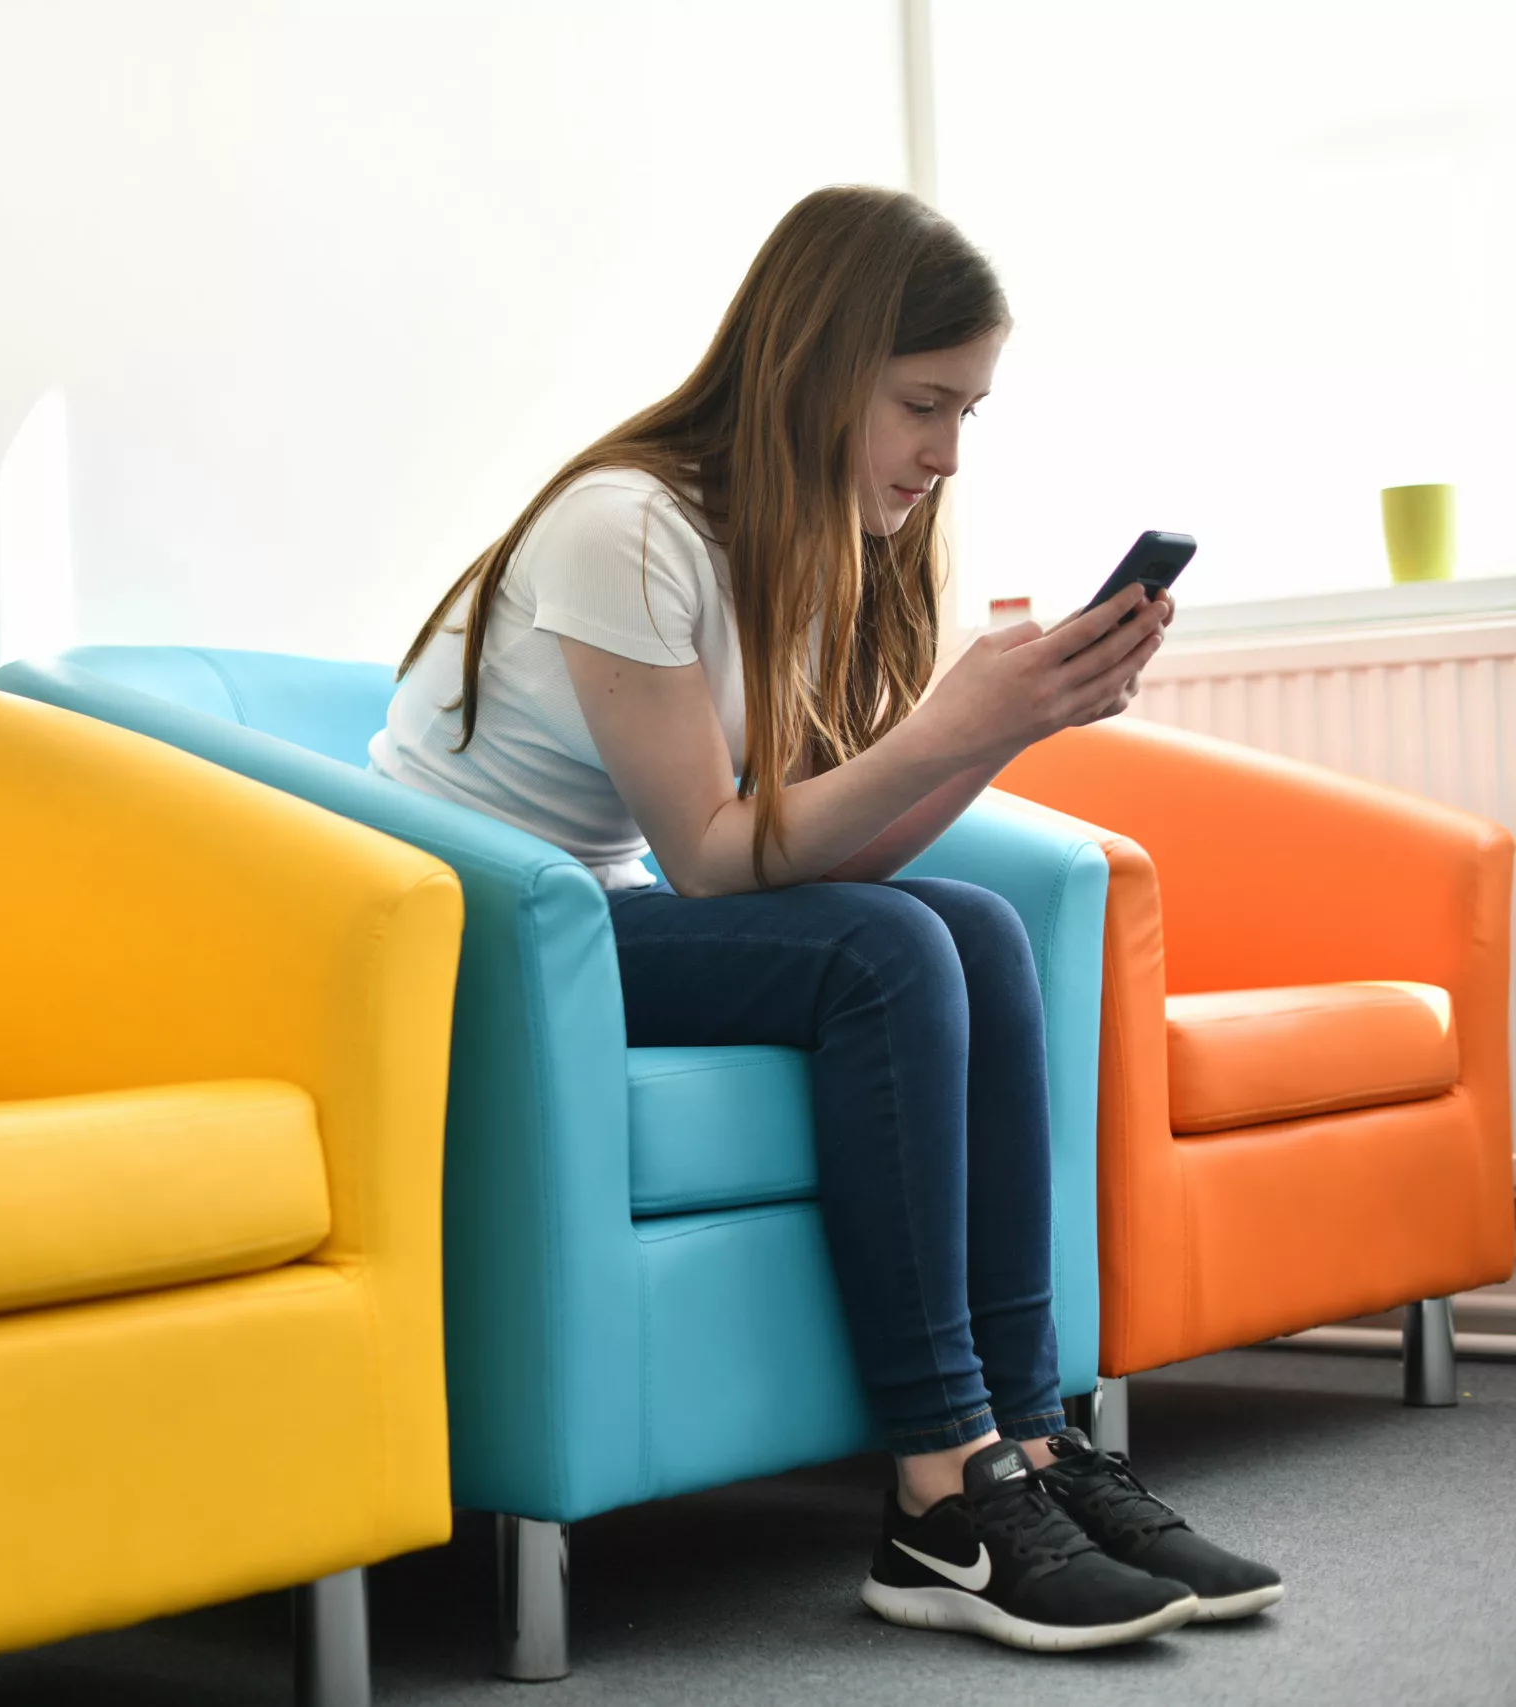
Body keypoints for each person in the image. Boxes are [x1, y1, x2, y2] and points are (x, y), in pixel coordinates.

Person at [370, 185, 1283, 1652]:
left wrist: (1007, 728)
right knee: (894, 945)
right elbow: (720, 858)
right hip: (480, 945)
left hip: (595, 923)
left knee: (968, 926)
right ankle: (937, 1491)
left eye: (971, 412)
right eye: (926, 404)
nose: (947, 452)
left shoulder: (794, 539)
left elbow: (811, 848)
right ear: (812, 363)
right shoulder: (628, 527)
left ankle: (1030, 1447)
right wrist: (949, 725)